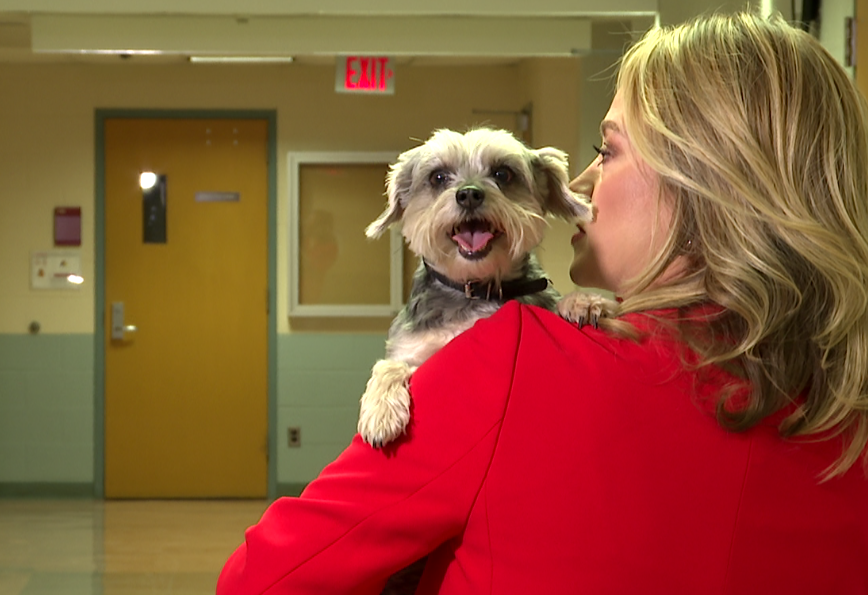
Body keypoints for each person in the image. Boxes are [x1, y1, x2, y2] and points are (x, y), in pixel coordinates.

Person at [217, 11, 868, 594]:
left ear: (699, 180)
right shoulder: (847, 414)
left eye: (606, 150)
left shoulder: (507, 362)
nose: (580, 183)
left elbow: (260, 579)